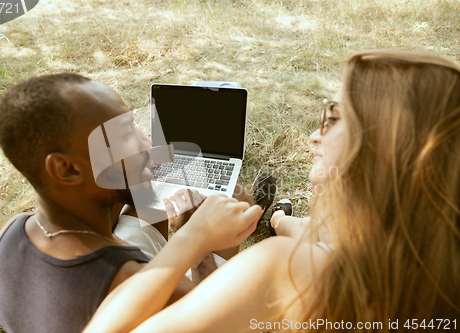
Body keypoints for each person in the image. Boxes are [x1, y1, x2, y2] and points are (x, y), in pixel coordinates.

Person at [84, 49, 460, 332]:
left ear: (381, 145)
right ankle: (277, 216)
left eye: (332, 117)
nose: (315, 135)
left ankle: (275, 216)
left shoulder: (284, 268)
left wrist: (194, 239)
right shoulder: (437, 262)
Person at [0, 73, 269, 333]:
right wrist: (199, 242)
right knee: (229, 212)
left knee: (148, 196)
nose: (147, 142)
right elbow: (220, 321)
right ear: (66, 169)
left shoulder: (9, 235)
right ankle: (252, 219)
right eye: (125, 135)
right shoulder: (133, 283)